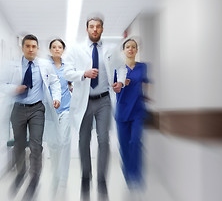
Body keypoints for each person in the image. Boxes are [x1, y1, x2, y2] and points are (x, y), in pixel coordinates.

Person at [63, 16, 127, 200]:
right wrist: (84, 73)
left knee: (104, 139)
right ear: (87, 29)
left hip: (104, 100)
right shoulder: (76, 49)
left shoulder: (111, 49)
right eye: (91, 26)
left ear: (102, 29)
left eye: (98, 27)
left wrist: (120, 82)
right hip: (84, 100)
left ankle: (102, 180)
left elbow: (121, 68)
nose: (95, 30)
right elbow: (67, 71)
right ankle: (85, 176)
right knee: (83, 140)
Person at [0, 34, 61, 199]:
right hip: (17, 109)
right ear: (23, 48)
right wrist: (13, 89)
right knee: (18, 145)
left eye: (34, 46)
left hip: (37, 109)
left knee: (36, 146)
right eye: (28, 46)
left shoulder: (44, 65)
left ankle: (34, 179)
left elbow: (54, 82)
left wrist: (56, 98)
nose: (31, 49)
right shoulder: (12, 66)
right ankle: (21, 171)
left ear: (37, 48)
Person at [114, 38, 149, 191]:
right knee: (124, 146)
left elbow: (145, 84)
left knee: (135, 142)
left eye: (133, 47)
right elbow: (113, 88)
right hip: (122, 112)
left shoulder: (143, 67)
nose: (130, 49)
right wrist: (120, 86)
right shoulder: (117, 68)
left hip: (138, 111)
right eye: (127, 47)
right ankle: (128, 174)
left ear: (136, 50)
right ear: (123, 50)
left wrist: (147, 96)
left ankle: (137, 174)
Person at [45, 38, 72, 196]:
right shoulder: (44, 67)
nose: (57, 49)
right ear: (50, 49)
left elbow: (73, 85)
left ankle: (63, 177)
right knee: (53, 144)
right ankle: (55, 175)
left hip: (66, 109)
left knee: (64, 142)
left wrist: (72, 86)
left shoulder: (68, 67)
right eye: (54, 47)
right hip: (50, 111)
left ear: (63, 50)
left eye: (59, 47)